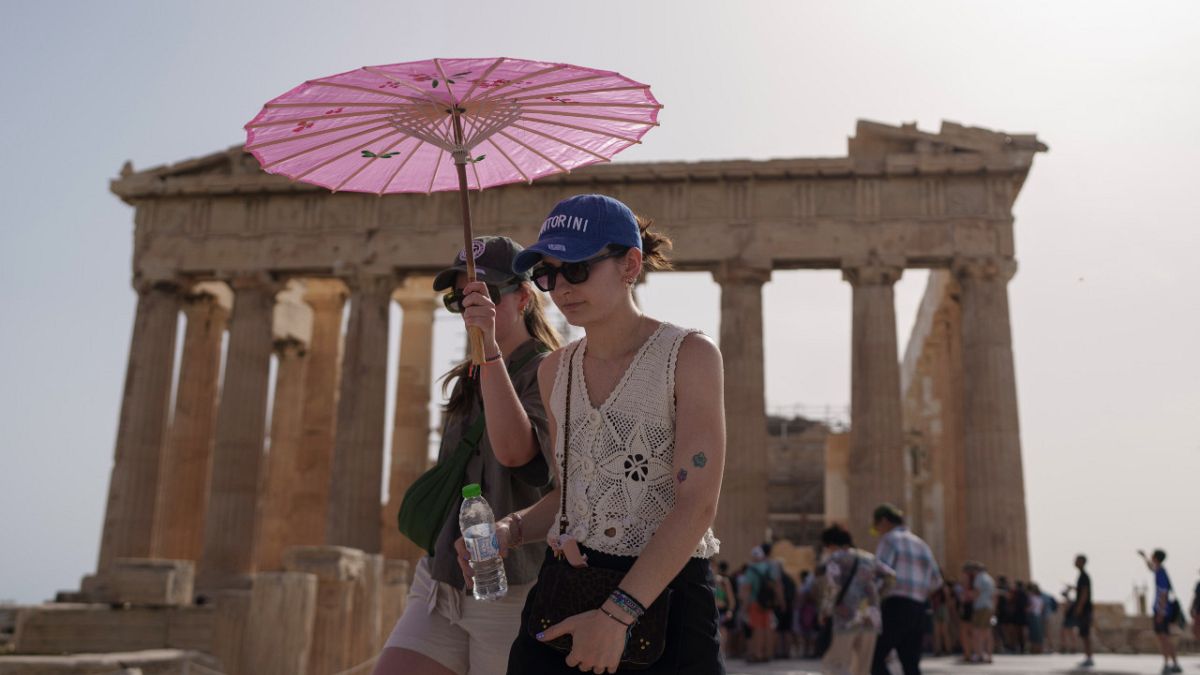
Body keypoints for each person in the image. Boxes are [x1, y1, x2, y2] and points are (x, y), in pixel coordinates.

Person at [503, 194, 726, 675]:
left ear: (630, 264)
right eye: (548, 274)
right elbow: (575, 494)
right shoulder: (553, 371)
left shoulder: (689, 356)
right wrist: (512, 529)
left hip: (665, 598)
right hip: (565, 589)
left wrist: (617, 614)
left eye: (577, 268)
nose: (561, 286)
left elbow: (698, 503)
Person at [375, 237, 561, 675]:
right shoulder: (467, 378)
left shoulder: (548, 371)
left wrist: (492, 348)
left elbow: (518, 455)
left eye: (486, 293)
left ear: (522, 297)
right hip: (441, 579)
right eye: (461, 297)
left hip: (510, 586)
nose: (471, 305)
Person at [867, 504, 942, 675]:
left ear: (884, 521)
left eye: (877, 527)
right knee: (911, 663)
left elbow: (881, 572)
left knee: (873, 657)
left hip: (895, 605)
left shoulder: (889, 539)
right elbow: (936, 581)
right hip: (919, 608)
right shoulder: (921, 544)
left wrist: (872, 599)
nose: (878, 531)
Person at [819, 524, 896, 675]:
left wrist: (825, 611)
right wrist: (877, 596)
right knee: (862, 668)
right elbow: (891, 577)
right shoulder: (869, 558)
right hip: (870, 617)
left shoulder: (835, 558)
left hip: (845, 616)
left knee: (837, 664)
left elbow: (833, 587)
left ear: (831, 544)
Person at [1138, 549, 1182, 674]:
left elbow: (1163, 593)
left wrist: (1161, 612)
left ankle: (1168, 664)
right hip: (1162, 610)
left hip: (1162, 611)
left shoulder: (1161, 572)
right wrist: (1144, 557)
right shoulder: (1159, 570)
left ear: (1156, 557)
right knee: (1164, 638)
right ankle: (1173, 663)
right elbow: (1151, 567)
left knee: (1164, 639)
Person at [740, 546, 781, 663]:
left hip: (755, 603)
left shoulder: (751, 570)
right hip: (768, 603)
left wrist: (744, 607)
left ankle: (757, 654)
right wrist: (779, 601)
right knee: (768, 628)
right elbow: (777, 585)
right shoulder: (770, 568)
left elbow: (747, 589)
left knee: (757, 628)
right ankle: (768, 653)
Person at [967, 561, 996, 665]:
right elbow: (994, 595)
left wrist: (970, 598)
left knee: (976, 631)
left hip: (980, 606)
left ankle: (979, 654)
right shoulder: (990, 579)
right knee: (987, 632)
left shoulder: (979, 578)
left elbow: (977, 592)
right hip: (989, 607)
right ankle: (989, 655)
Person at [1071, 555, 1094, 668]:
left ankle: (1089, 657)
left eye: (1076, 560)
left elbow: (1084, 594)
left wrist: (1079, 608)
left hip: (1085, 609)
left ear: (1081, 562)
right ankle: (1087, 656)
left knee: (1085, 634)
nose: (1074, 562)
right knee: (1084, 634)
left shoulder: (1084, 576)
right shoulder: (1081, 576)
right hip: (1084, 609)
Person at [711, 560, 737, 656]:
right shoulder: (706, 581)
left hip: (721, 611)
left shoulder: (724, 581)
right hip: (710, 611)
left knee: (722, 634)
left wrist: (730, 611)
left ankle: (721, 654)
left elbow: (731, 600)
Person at [1026, 582, 1046, 654]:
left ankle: (1035, 649)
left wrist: (1027, 610)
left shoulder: (1032, 597)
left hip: (1033, 615)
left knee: (1034, 633)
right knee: (1038, 633)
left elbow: (1032, 606)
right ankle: (1039, 649)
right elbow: (1041, 607)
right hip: (1038, 615)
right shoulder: (1039, 597)